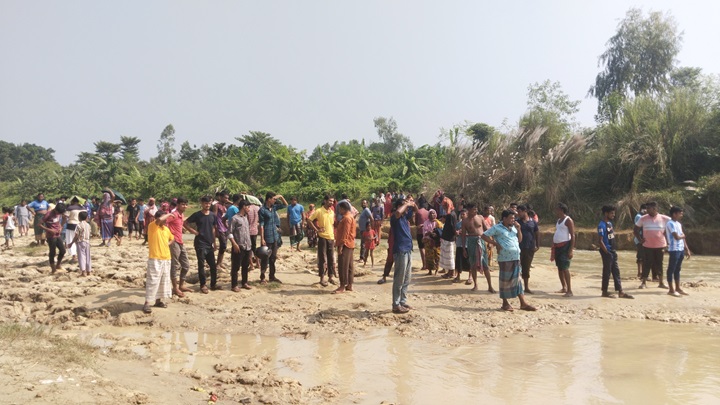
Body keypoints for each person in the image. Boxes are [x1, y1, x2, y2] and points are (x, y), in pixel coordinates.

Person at [482, 210, 536, 312]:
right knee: (505, 281)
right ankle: (505, 303)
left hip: (515, 257)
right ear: (504, 218)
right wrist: (495, 243)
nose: (513, 220)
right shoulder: (497, 228)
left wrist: (519, 229)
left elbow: (519, 240)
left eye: (513, 218)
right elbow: (484, 235)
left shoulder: (514, 228)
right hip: (505, 258)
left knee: (518, 280)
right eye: (511, 218)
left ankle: (523, 303)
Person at [597, 206, 634, 299]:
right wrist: (607, 252)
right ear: (606, 213)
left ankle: (620, 291)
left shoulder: (609, 223)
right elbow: (600, 241)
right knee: (607, 271)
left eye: (614, 213)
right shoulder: (601, 225)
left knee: (616, 271)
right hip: (607, 251)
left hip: (613, 251)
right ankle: (604, 292)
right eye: (611, 213)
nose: (614, 215)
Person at [185, 196, 219, 293]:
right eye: (205, 203)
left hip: (209, 243)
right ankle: (203, 285)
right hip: (200, 243)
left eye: (209, 203)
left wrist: (214, 242)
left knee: (213, 265)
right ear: (202, 203)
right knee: (201, 265)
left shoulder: (213, 215)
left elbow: (213, 229)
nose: (207, 205)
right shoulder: (197, 215)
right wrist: (193, 231)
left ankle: (213, 284)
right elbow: (185, 223)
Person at [634, 201, 671, 290]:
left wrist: (668, 239)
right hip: (647, 245)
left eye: (649, 208)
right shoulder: (643, 218)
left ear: (655, 209)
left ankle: (661, 282)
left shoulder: (664, 218)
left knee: (659, 264)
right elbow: (635, 229)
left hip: (660, 245)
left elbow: (673, 226)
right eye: (646, 208)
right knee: (646, 263)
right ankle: (643, 283)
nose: (647, 210)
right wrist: (640, 239)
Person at [143, 210, 174, 314]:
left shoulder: (166, 229)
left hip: (166, 257)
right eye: (165, 218)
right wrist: (169, 214)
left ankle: (158, 301)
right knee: (153, 281)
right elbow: (160, 219)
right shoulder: (152, 226)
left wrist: (167, 244)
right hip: (155, 258)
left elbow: (172, 238)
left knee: (163, 281)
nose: (166, 220)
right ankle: (147, 303)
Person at [461, 204, 496, 293]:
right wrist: (464, 248)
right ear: (468, 210)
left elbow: (487, 230)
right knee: (472, 264)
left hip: (481, 240)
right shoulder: (465, 221)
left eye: (476, 209)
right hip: (471, 242)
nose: (475, 211)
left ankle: (490, 286)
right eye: (473, 209)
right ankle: (475, 284)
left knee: (485, 265)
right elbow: (463, 235)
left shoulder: (480, 217)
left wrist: (491, 241)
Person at [391, 197, 416, 314]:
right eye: (404, 206)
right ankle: (396, 304)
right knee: (399, 279)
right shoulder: (394, 217)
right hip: (400, 250)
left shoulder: (405, 217)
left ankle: (402, 301)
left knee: (407, 278)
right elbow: (398, 212)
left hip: (408, 249)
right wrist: (406, 204)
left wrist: (411, 204)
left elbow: (416, 210)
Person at [258, 192, 287, 284]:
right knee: (265, 257)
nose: (275, 200)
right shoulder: (262, 210)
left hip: (275, 236)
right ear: (268, 199)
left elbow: (285, 205)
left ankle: (272, 276)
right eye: (274, 199)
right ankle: (262, 277)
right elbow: (261, 225)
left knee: (273, 257)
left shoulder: (274, 208)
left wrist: (281, 196)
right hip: (267, 236)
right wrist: (262, 238)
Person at [307, 195, 336, 286]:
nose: (331, 203)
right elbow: (309, 220)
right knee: (323, 258)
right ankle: (322, 278)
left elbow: (332, 224)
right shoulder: (319, 211)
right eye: (330, 201)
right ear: (325, 201)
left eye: (332, 201)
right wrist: (317, 229)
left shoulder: (332, 212)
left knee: (331, 258)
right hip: (322, 237)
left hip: (331, 237)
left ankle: (330, 277)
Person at [166, 197, 191, 297]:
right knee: (175, 265)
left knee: (186, 265)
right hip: (174, 242)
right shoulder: (174, 214)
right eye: (182, 204)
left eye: (185, 204)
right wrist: (169, 234)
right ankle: (175, 288)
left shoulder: (181, 215)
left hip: (180, 242)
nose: (184, 206)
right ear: (178, 205)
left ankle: (181, 285)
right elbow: (164, 222)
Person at [227, 200, 253, 291]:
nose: (249, 209)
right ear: (244, 207)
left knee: (245, 265)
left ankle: (244, 283)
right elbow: (229, 233)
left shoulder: (246, 218)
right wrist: (234, 244)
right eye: (248, 207)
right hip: (238, 246)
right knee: (236, 266)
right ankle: (234, 285)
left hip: (247, 246)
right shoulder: (235, 218)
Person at [666, 206, 691, 297]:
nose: (681, 214)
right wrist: (683, 236)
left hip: (680, 249)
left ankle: (678, 288)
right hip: (673, 249)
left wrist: (687, 249)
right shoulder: (670, 223)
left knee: (678, 269)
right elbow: (677, 237)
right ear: (674, 214)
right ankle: (671, 290)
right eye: (680, 213)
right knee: (671, 269)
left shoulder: (678, 224)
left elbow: (682, 238)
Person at [551, 203, 575, 297]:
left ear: (561, 210)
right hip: (558, 246)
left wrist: (571, 250)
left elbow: (572, 235)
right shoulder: (558, 220)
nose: (556, 211)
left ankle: (569, 290)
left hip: (565, 246)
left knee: (565, 268)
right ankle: (564, 287)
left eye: (557, 209)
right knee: (560, 267)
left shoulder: (568, 220)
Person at [334, 201, 357, 293]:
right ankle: (349, 285)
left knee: (343, 265)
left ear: (343, 209)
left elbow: (345, 233)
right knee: (350, 265)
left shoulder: (347, 218)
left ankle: (342, 286)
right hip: (350, 244)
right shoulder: (350, 217)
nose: (339, 210)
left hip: (346, 244)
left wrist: (341, 245)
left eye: (340, 209)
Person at [517, 205, 539, 294]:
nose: (518, 214)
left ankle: (526, 287)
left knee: (526, 267)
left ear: (525, 211)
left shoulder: (533, 222)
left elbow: (537, 233)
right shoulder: (517, 222)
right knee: (517, 267)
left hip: (530, 248)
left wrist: (538, 245)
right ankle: (517, 287)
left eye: (519, 212)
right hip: (519, 248)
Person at [39, 202, 67, 273]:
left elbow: (63, 220)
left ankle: (58, 264)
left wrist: (61, 226)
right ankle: (53, 267)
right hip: (51, 236)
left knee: (63, 250)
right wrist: (49, 230)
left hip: (58, 234)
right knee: (52, 252)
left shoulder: (59, 213)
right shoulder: (48, 214)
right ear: (56, 209)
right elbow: (39, 224)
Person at [68, 211, 92, 276]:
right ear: (87, 217)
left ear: (79, 218)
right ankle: (89, 271)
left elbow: (76, 235)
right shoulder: (88, 225)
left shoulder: (79, 225)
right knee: (88, 257)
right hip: (87, 242)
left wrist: (71, 243)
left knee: (81, 257)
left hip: (80, 242)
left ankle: (83, 271)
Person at [449, 209, 470, 282]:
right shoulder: (458, 224)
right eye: (461, 214)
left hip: (468, 244)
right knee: (458, 261)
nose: (462, 215)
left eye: (464, 214)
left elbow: (472, 233)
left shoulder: (470, 223)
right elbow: (455, 233)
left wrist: (465, 234)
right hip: (459, 244)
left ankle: (470, 277)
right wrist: (457, 233)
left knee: (469, 261)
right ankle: (458, 276)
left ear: (467, 214)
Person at [422, 209, 443, 275]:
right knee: (429, 256)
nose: (432, 215)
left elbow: (441, 232)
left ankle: (436, 270)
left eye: (433, 213)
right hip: (428, 242)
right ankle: (430, 270)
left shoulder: (438, 222)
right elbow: (424, 233)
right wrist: (428, 233)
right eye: (430, 213)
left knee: (437, 256)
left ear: (436, 214)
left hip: (436, 242)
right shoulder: (426, 223)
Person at [64, 197, 85, 263]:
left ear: (72, 201)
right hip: (81, 225)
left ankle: (74, 256)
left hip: (71, 225)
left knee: (71, 240)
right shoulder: (83, 208)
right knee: (80, 240)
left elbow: (66, 216)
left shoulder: (70, 208)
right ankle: (81, 255)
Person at [439, 212, 457, 277]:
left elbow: (452, 227)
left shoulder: (450, 215)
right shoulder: (451, 214)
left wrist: (455, 233)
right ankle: (450, 271)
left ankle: (451, 272)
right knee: (448, 256)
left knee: (449, 256)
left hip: (449, 239)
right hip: (448, 238)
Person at [633, 204, 648, 279]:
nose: (645, 210)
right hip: (639, 239)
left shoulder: (642, 216)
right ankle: (640, 273)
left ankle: (641, 273)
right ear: (641, 209)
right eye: (644, 209)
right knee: (640, 256)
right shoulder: (639, 217)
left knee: (642, 256)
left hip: (642, 239)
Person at [414, 202, 429, 270]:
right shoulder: (428, 212)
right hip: (427, 232)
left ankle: (424, 264)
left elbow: (416, 223)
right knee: (427, 248)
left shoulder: (418, 212)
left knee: (421, 248)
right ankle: (429, 264)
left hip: (420, 232)